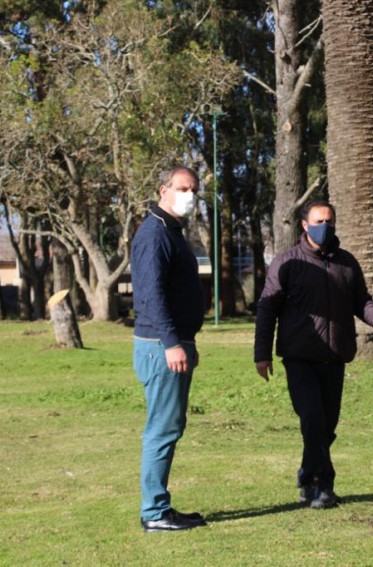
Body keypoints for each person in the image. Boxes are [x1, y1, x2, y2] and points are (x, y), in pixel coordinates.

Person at [254, 200, 373, 509]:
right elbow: (267, 309)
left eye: (330, 221)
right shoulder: (287, 262)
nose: (325, 226)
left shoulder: (346, 262)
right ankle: (323, 485)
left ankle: (307, 474)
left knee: (326, 425)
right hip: (299, 357)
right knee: (313, 418)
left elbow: (361, 300)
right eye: (318, 221)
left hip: (335, 357)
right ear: (305, 225)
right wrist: (262, 353)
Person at [131, 166, 207, 532]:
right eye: (182, 188)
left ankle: (159, 506)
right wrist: (172, 343)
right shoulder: (155, 234)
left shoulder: (172, 232)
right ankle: (154, 512)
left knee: (169, 426)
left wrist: (187, 341)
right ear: (164, 190)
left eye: (194, 190)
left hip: (175, 342)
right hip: (159, 345)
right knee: (161, 429)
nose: (189, 195)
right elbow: (151, 295)